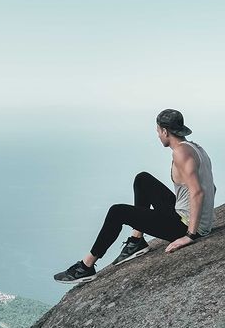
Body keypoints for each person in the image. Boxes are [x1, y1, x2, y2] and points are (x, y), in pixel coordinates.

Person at [54, 109, 217, 284]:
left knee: (117, 211)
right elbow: (212, 188)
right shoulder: (195, 148)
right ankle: (136, 240)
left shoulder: (180, 153)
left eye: (158, 131)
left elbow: (198, 192)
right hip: (191, 218)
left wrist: (190, 235)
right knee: (143, 179)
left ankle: (86, 267)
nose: (158, 135)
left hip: (186, 226)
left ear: (165, 131)